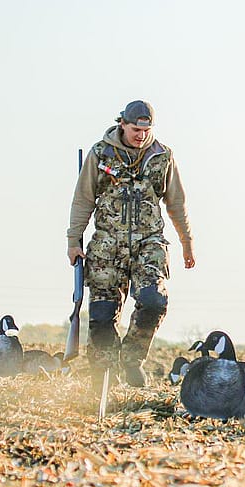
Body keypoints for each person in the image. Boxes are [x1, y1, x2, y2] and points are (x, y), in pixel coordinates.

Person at [66, 100, 195, 389]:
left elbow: (176, 203)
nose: (141, 135)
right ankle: (104, 375)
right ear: (122, 124)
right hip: (107, 246)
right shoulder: (101, 153)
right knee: (101, 318)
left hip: (148, 244)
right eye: (136, 129)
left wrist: (186, 242)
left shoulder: (163, 157)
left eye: (146, 129)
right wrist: (74, 240)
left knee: (153, 301)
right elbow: (83, 199)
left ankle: (132, 358)